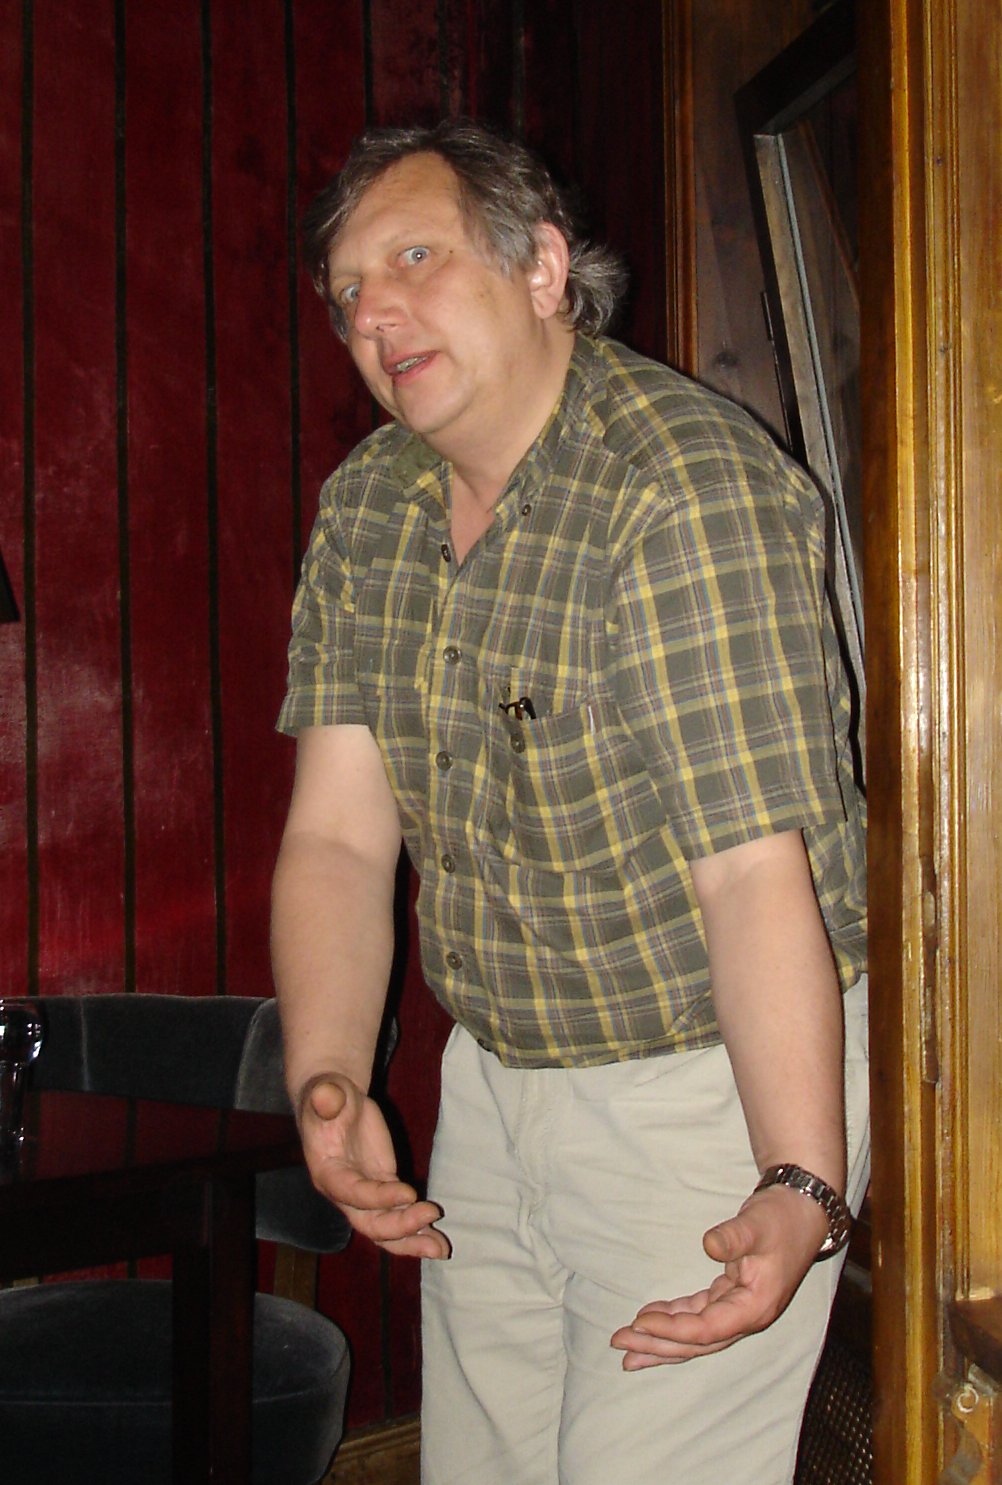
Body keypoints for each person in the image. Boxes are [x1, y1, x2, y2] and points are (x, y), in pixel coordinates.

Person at [271, 118, 869, 1485]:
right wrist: (328, 1077)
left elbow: (751, 873)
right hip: (495, 1078)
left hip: (706, 1088)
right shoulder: (370, 504)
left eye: (413, 259)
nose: (373, 313)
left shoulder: (680, 488)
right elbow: (339, 838)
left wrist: (795, 1178)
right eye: (347, 292)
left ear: (542, 267)